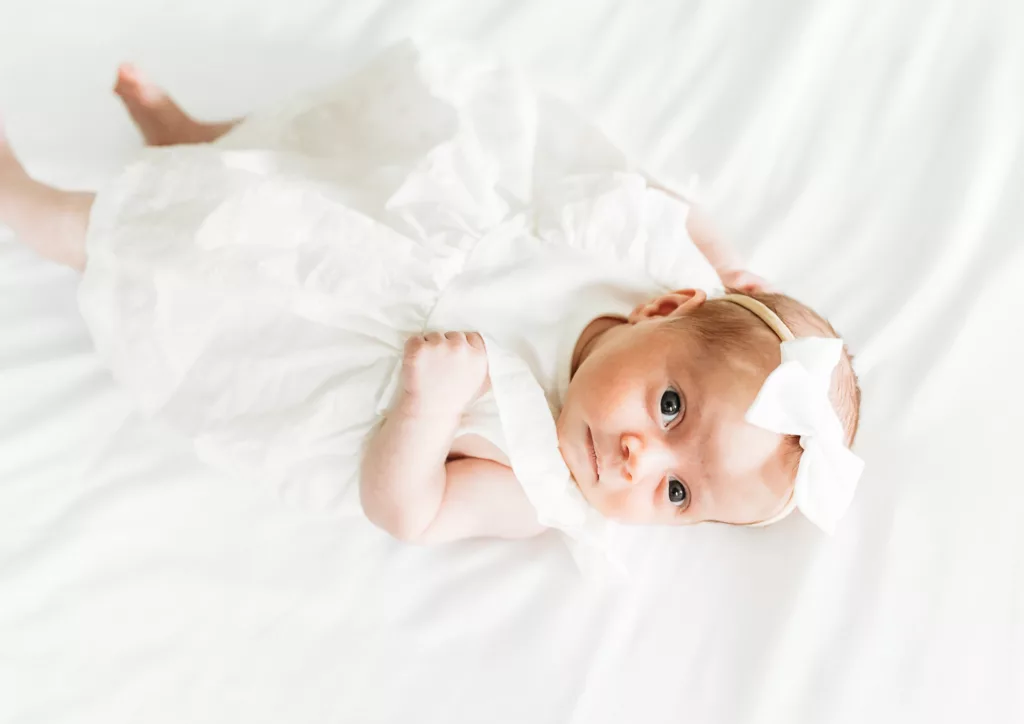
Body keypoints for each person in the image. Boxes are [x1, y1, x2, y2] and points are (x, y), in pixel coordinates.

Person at [0, 43, 863, 556]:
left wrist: (428, 404)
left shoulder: (538, 484)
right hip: (405, 206)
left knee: (163, 243)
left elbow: (409, 511)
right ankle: (193, 138)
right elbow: (667, 206)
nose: (641, 463)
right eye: (670, 407)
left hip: (321, 312)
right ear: (665, 310)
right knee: (294, 157)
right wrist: (737, 266)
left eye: (677, 495)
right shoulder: (652, 269)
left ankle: (27, 201)